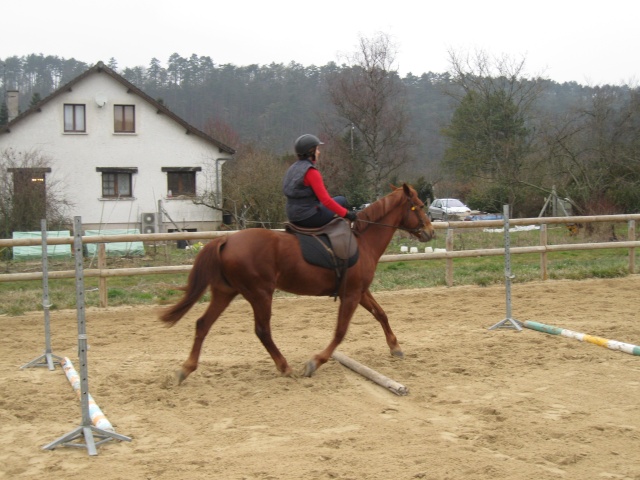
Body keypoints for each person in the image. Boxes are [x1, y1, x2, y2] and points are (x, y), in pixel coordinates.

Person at [283, 134, 358, 228]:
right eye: (317, 149)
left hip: (292, 215)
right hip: (308, 217)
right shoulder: (311, 172)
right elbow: (326, 201)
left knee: (337, 201)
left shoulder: (292, 168)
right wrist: (347, 214)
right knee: (341, 199)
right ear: (311, 151)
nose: (319, 152)